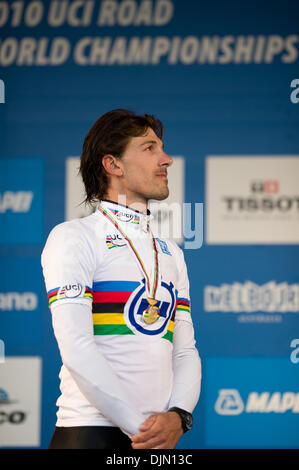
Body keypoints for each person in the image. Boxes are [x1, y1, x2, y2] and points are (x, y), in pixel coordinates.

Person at [41, 109, 201, 450]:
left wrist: (179, 417)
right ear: (113, 165)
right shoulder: (74, 237)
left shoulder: (171, 252)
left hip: (156, 439)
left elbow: (185, 351)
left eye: (163, 148)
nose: (167, 159)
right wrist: (143, 430)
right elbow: (76, 348)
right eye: (150, 148)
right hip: (90, 432)